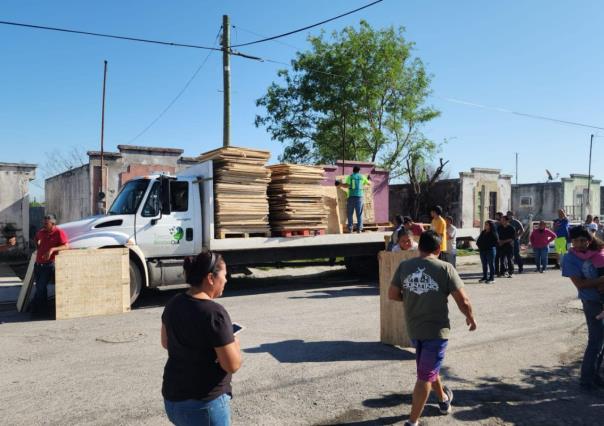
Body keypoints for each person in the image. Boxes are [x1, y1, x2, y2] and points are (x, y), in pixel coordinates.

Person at [388, 231, 477, 426]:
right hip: (436, 332)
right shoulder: (445, 268)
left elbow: (393, 294)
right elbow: (463, 300)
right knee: (424, 377)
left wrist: (413, 297)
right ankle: (412, 422)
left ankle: (444, 400)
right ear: (438, 249)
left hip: (414, 329)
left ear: (418, 247)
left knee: (428, 369)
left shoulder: (405, 266)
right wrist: (470, 317)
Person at [161, 251, 242, 425]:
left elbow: (165, 342)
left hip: (173, 399)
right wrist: (233, 342)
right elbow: (232, 364)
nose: (226, 280)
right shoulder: (214, 313)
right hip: (204, 404)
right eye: (224, 275)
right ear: (210, 278)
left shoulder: (173, 302)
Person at [561, 226, 604, 391]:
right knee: (595, 341)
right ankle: (586, 381)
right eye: (577, 241)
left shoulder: (598, 252)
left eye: (584, 240)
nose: (581, 244)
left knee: (601, 342)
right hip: (592, 302)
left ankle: (595, 376)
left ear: (590, 240)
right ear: (572, 241)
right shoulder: (570, 259)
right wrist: (601, 281)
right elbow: (581, 284)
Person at [32, 214, 69, 316]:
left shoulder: (59, 232)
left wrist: (52, 249)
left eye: (46, 223)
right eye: (43, 223)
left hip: (49, 265)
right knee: (40, 288)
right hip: (38, 265)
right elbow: (35, 239)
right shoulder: (41, 232)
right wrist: (38, 247)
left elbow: (66, 246)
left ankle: (40, 312)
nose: (44, 225)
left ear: (53, 223)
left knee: (41, 288)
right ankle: (40, 310)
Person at [336, 165, 371, 233]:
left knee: (350, 213)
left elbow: (347, 185)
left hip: (351, 197)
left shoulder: (351, 177)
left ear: (353, 170)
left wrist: (339, 184)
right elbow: (368, 183)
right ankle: (359, 229)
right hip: (359, 197)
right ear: (359, 171)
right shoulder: (362, 177)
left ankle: (350, 229)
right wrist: (368, 179)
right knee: (359, 214)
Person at [493, 212, 504, 276]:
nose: (496, 217)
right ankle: (496, 271)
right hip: (496, 242)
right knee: (496, 258)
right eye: (496, 216)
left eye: (497, 216)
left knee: (502, 258)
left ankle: (503, 271)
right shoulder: (494, 223)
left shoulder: (503, 223)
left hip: (503, 242)